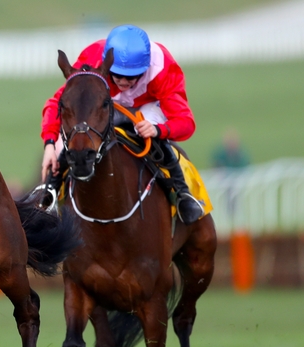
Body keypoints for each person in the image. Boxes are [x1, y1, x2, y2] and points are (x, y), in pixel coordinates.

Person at [40, 24, 204, 224]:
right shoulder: (93, 58)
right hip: (107, 103)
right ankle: (50, 190)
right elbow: (59, 103)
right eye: (117, 75)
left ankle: (182, 194)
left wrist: (157, 130)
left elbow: (186, 122)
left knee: (147, 131)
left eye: (132, 77)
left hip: (147, 107)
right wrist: (49, 143)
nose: (124, 82)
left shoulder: (162, 68)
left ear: (145, 68)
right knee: (79, 133)